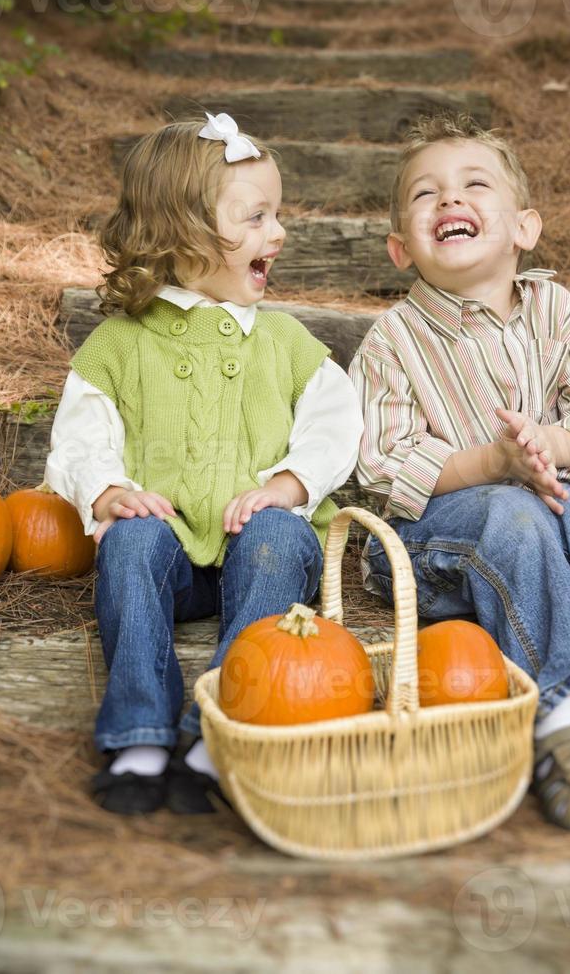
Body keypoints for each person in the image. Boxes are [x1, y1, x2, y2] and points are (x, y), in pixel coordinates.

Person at [349, 112, 570, 832]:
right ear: (400, 248)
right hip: (440, 541)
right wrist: (493, 463)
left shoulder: (556, 310)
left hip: (558, 513)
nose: (450, 200)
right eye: (426, 195)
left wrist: (546, 443)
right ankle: (563, 730)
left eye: (474, 185)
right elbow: (381, 464)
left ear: (524, 227)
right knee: (510, 512)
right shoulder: (392, 340)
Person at [45, 113, 363, 817]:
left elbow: (337, 424)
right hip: (175, 561)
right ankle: (139, 736)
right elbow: (80, 436)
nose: (275, 234)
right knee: (129, 544)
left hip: (264, 558)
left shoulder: (284, 341)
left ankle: (216, 734)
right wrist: (106, 492)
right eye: (254, 218)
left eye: (275, 215)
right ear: (180, 234)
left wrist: (288, 485)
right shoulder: (118, 345)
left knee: (280, 534)